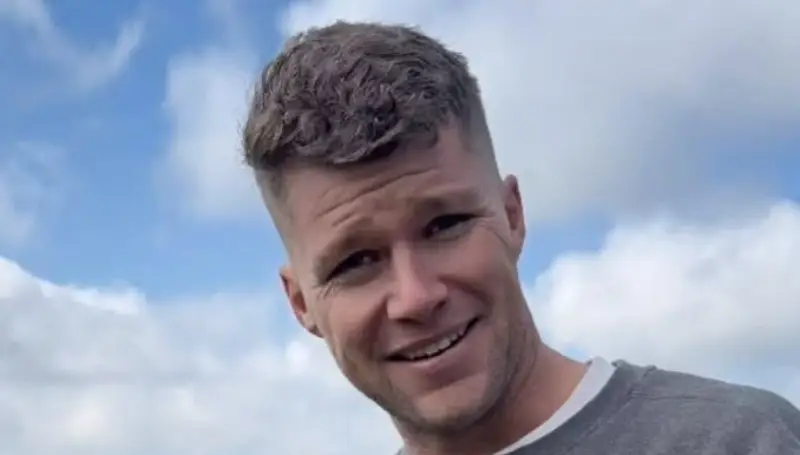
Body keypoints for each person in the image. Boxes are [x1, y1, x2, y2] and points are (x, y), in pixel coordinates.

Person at [241, 21, 800, 455]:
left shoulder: (743, 440)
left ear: (512, 215)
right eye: (356, 261)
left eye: (445, 225)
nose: (416, 297)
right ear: (301, 303)